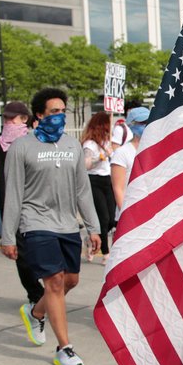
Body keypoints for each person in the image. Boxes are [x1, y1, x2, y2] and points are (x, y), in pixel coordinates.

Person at [0, 88, 100, 365]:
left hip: (67, 223)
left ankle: (35, 312)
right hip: (35, 223)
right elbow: (14, 195)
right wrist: (8, 236)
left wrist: (93, 227)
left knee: (70, 281)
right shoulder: (22, 147)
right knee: (54, 282)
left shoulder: (72, 146)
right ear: (39, 115)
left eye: (62, 111)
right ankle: (64, 349)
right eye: (53, 111)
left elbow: (82, 190)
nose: (59, 116)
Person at [0, 102, 45, 312]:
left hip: (37, 203)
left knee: (40, 250)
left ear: (24, 119)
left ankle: (49, 291)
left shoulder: (36, 138)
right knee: (21, 256)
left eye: (12, 118)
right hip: (10, 204)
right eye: (5, 118)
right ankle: (35, 294)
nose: (7, 122)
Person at [81, 111, 116, 262]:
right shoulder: (90, 144)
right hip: (94, 180)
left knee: (111, 219)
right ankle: (105, 253)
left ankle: (90, 240)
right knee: (103, 217)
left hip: (107, 179)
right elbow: (86, 165)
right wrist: (100, 158)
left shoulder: (107, 142)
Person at [110, 106, 150, 217]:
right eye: (142, 122)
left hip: (151, 214)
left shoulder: (155, 149)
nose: (146, 125)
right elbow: (118, 188)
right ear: (131, 125)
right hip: (131, 215)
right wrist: (127, 216)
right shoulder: (122, 153)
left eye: (149, 121)